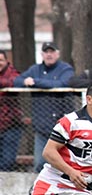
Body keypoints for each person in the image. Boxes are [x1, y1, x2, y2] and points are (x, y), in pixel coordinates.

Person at [13, 41, 75, 172]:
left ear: (57, 54)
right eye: (46, 52)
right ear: (42, 54)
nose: (49, 54)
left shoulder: (65, 68)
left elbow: (63, 83)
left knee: (62, 164)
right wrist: (25, 81)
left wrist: (36, 82)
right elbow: (17, 81)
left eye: (52, 52)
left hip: (61, 127)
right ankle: (38, 191)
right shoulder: (35, 69)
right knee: (40, 163)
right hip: (41, 126)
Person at [0, 50, 23, 171]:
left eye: (1, 60)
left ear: (6, 61)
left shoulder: (12, 72)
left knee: (8, 160)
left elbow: (17, 82)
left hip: (11, 123)